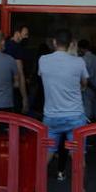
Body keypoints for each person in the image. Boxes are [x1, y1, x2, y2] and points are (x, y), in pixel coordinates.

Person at [37, 29, 88, 181]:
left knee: (46, 155)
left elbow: (42, 76)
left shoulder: (43, 60)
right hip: (75, 116)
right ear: (71, 43)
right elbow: (84, 84)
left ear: (54, 42)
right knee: (78, 158)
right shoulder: (79, 62)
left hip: (51, 116)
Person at [79, 40, 96, 122]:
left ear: (80, 48)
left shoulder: (82, 60)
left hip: (87, 89)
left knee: (87, 114)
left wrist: (93, 87)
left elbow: (84, 78)